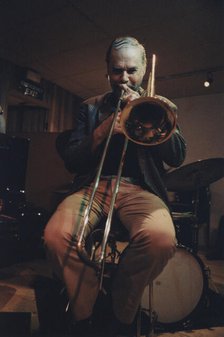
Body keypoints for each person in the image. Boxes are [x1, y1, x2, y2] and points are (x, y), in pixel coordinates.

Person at [44, 36, 186, 336]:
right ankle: (87, 311)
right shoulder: (90, 107)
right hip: (93, 187)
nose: (124, 78)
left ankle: (121, 311)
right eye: (117, 71)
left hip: (141, 190)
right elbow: (72, 159)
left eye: (132, 70)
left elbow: (177, 156)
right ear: (107, 70)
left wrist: (152, 116)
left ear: (144, 70)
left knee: (161, 239)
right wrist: (106, 127)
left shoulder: (163, 106)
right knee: (56, 236)